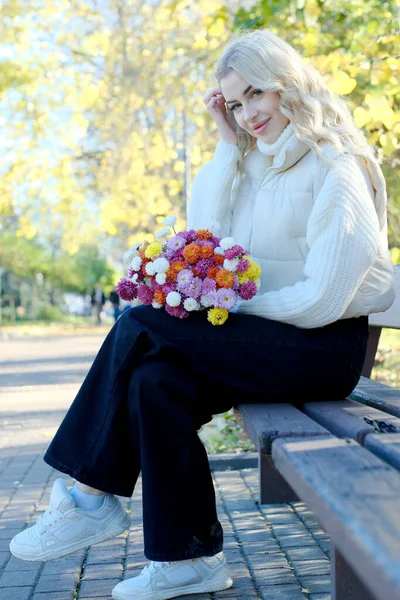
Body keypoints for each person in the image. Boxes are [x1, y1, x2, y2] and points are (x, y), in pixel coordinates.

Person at [9, 28, 394, 600]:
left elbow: (321, 300)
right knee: (151, 380)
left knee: (138, 324)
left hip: (321, 349)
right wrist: (225, 145)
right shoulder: (255, 163)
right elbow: (205, 240)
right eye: (235, 104)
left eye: (255, 95)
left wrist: (223, 312)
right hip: (269, 342)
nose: (248, 113)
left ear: (287, 83)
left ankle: (86, 494)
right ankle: (187, 560)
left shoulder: (339, 166)